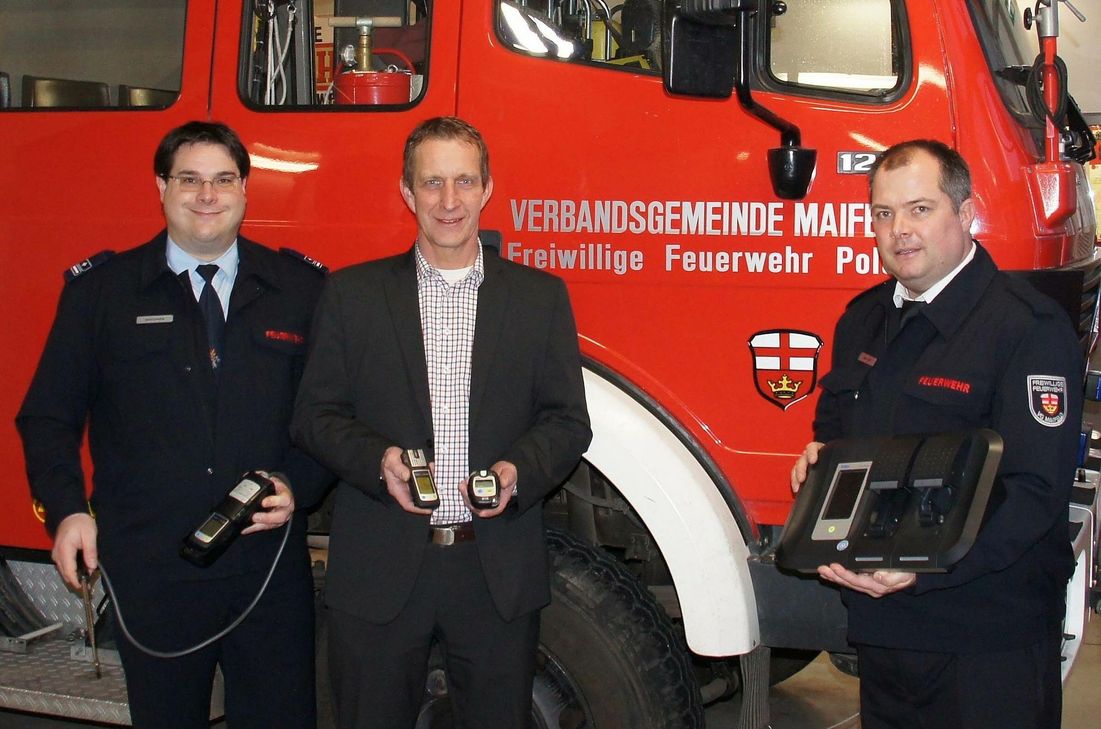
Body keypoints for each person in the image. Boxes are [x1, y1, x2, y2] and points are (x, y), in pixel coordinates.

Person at [16, 121, 331, 729]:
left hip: (265, 566)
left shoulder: (301, 290)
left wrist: (298, 484)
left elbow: (328, 415)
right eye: (189, 180)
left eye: (223, 180)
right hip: (152, 567)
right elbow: (48, 416)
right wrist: (67, 511)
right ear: (162, 187)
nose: (207, 195)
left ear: (245, 189)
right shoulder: (102, 293)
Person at [291, 116, 592, 729]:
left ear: (487, 189)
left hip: (493, 571)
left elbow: (567, 421)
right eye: (432, 183)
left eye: (463, 181)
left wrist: (517, 471)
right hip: (379, 567)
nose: (448, 201)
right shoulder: (352, 296)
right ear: (407, 192)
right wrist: (378, 460)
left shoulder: (539, 298)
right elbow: (314, 416)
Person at [790, 139, 1082, 728]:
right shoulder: (863, 320)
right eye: (883, 213)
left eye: (919, 209)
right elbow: (835, 432)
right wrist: (819, 464)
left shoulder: (1026, 328)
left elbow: (1035, 492)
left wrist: (928, 570)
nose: (899, 229)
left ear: (966, 213)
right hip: (884, 627)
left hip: (985, 634)